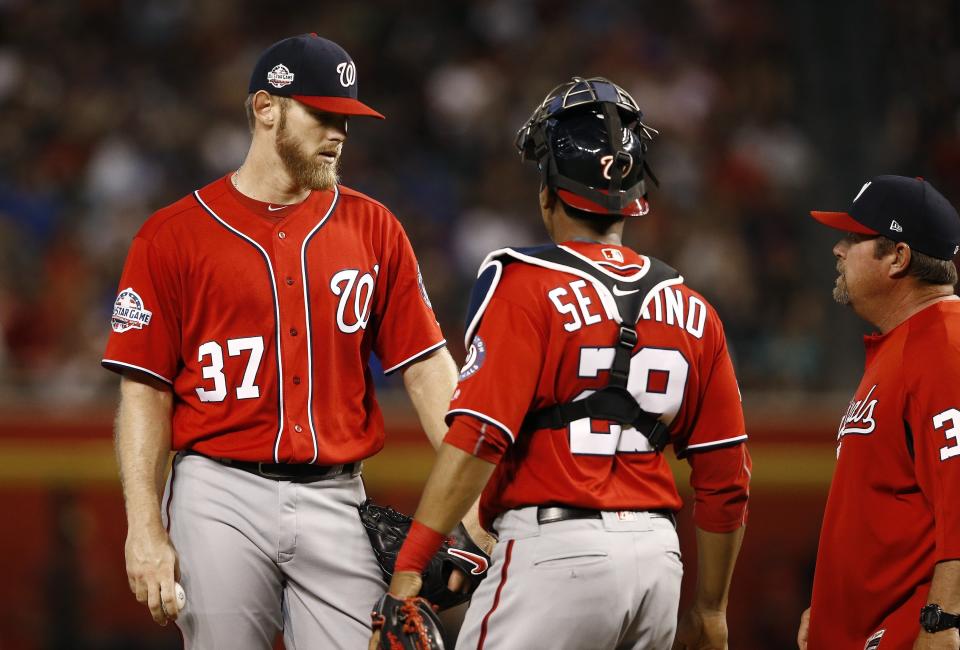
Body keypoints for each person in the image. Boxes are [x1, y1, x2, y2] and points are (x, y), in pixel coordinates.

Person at [102, 33, 479, 649]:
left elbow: (427, 368)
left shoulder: (372, 226)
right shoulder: (170, 237)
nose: (339, 133)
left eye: (348, 120)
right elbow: (145, 391)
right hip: (216, 492)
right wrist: (144, 527)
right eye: (323, 114)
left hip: (337, 493)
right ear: (265, 108)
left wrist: (473, 493)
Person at [369, 77, 752, 650]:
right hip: (657, 565)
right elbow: (727, 481)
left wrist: (409, 569)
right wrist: (711, 610)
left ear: (548, 190)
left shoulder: (523, 286)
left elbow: (477, 437)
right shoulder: (695, 310)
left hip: (555, 552)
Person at [798, 175, 960, 650]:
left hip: (909, 630)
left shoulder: (944, 347)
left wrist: (942, 621)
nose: (838, 250)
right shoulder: (908, 344)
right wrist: (831, 609)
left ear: (898, 257)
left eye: (854, 237)